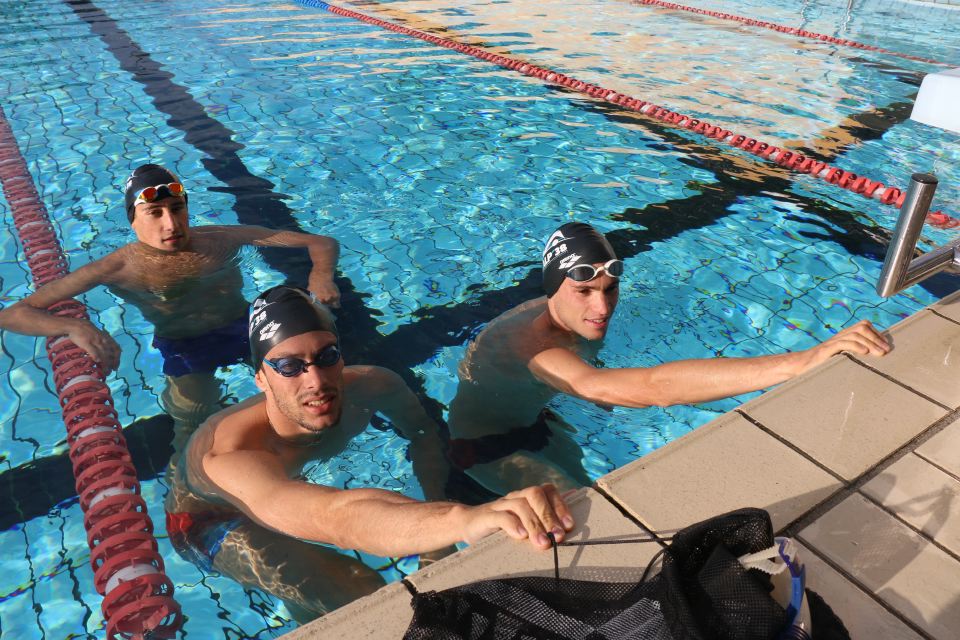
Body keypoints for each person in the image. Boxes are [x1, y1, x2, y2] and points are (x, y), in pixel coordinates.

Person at [164, 285, 573, 620]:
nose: (316, 380)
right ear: (260, 379)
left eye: (326, 356)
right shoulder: (232, 455)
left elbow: (423, 435)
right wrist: (461, 520)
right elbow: (335, 516)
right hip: (212, 520)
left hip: (284, 491)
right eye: (289, 367)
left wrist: (437, 532)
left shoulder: (376, 386)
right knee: (362, 593)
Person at [446, 222, 892, 494]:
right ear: (553, 288)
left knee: (599, 494)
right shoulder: (536, 348)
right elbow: (651, 388)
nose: (602, 308)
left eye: (609, 289)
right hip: (485, 449)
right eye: (584, 291)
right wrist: (801, 361)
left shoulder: (567, 319)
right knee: (592, 521)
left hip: (536, 424)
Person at [0, 164, 341, 452]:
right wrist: (75, 327)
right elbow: (13, 314)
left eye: (177, 209)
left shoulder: (221, 238)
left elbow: (320, 242)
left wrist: (322, 276)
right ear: (134, 220)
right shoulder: (116, 268)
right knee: (192, 428)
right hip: (187, 347)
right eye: (155, 213)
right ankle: (190, 507)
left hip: (247, 329)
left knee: (313, 380)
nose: (171, 224)